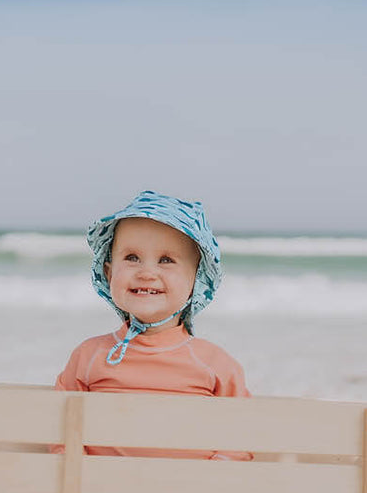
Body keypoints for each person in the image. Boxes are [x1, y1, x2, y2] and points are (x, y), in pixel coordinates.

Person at [55, 190, 250, 459]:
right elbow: (58, 435)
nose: (146, 273)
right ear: (109, 273)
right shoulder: (89, 356)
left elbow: (243, 436)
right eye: (132, 257)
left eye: (166, 260)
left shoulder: (216, 365)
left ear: (197, 279)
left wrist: (210, 482)